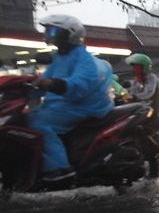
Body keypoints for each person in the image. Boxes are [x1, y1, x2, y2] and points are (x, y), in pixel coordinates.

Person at [27, 14, 114, 182]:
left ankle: (59, 168)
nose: (47, 34)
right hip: (62, 106)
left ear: (68, 34)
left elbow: (78, 86)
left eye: (52, 31)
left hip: (81, 107)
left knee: (38, 123)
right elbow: (43, 82)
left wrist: (51, 84)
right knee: (24, 118)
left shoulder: (84, 59)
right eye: (47, 31)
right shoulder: (59, 58)